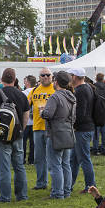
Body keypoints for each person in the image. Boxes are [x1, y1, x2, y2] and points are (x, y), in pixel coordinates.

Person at [0, 68, 30, 204]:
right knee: (19, 166)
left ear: (2, 79)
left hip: (2, 135)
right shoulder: (21, 95)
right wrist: (22, 130)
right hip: (17, 134)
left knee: (4, 167)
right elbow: (26, 115)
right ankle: (22, 196)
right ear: (15, 79)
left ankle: (5, 197)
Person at [41, 71, 76, 199]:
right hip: (68, 132)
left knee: (55, 164)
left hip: (55, 133)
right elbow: (74, 117)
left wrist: (42, 112)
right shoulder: (71, 96)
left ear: (56, 82)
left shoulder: (55, 97)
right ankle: (66, 192)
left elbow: (48, 114)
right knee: (65, 164)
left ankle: (57, 193)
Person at [68, 68, 95, 195]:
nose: (69, 78)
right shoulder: (88, 87)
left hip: (82, 129)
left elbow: (80, 112)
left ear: (75, 76)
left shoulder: (80, 91)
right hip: (86, 128)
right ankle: (69, 184)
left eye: (70, 75)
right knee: (74, 159)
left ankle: (90, 186)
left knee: (84, 159)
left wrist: (73, 124)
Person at [27, 68, 55, 190]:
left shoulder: (56, 89)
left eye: (47, 75)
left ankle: (56, 183)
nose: (45, 77)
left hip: (52, 128)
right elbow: (25, 105)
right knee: (39, 157)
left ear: (52, 76)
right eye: (42, 75)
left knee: (53, 158)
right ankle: (41, 183)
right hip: (37, 127)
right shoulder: (34, 90)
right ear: (39, 77)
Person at [93, 73, 105, 154]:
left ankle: (95, 149)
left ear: (96, 79)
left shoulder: (93, 88)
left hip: (95, 113)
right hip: (104, 112)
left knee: (96, 133)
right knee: (104, 132)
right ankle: (104, 149)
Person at [22, 75, 37, 165]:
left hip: (26, 121)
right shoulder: (38, 91)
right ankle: (31, 160)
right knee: (33, 143)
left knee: (23, 142)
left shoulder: (24, 93)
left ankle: (22, 159)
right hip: (35, 121)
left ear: (27, 82)